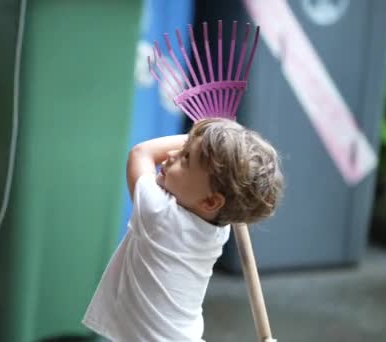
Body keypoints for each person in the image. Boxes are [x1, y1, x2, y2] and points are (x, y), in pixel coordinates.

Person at [82, 117, 284, 341]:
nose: (171, 155)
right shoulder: (218, 229)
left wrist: (203, 134)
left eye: (186, 158)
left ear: (210, 202)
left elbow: (141, 153)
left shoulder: (160, 215)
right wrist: (212, 140)